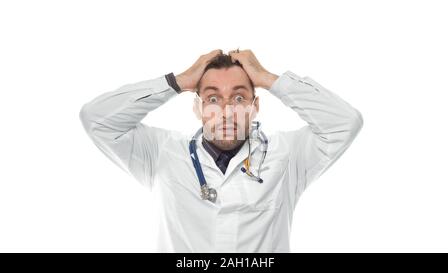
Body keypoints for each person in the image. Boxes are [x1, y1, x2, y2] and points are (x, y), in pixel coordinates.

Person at [79, 49, 363, 252]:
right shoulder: (160, 153)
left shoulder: (288, 155)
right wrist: (176, 82)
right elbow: (96, 119)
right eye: (212, 98)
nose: (226, 111)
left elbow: (344, 123)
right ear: (197, 107)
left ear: (255, 106)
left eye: (239, 97)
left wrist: (267, 78)